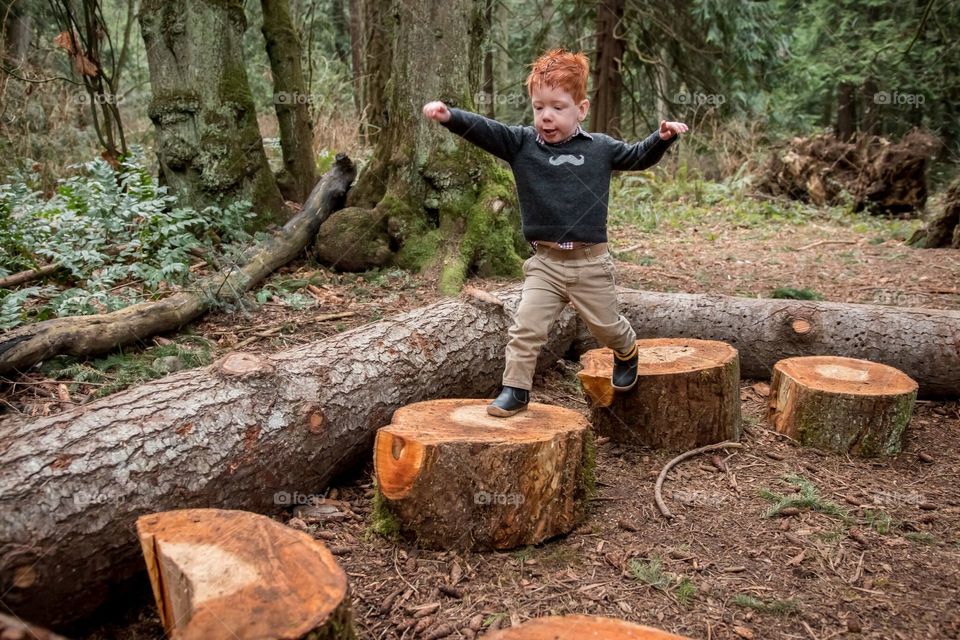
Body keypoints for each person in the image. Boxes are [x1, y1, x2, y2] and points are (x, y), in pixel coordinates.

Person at [422, 48, 688, 417]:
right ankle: (515, 389)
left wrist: (661, 139)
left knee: (606, 327)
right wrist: (451, 117)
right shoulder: (520, 144)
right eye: (538, 107)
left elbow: (637, 156)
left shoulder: (601, 149)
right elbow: (486, 130)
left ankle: (626, 351)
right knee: (525, 328)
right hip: (545, 262)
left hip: (590, 263)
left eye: (557, 107)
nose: (546, 117)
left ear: (581, 109)